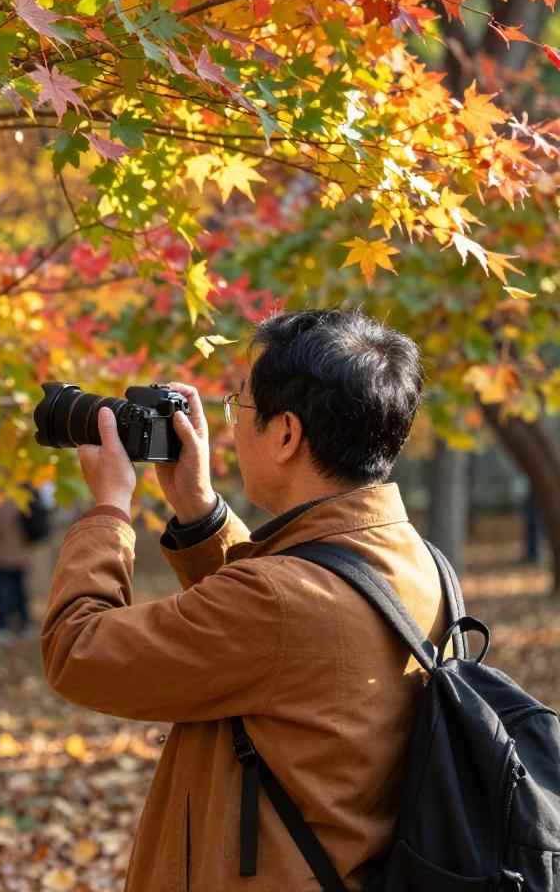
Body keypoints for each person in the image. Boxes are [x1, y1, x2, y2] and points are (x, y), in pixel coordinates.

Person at [40, 308, 445, 890]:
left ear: (285, 435)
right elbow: (279, 628)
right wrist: (200, 512)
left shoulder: (278, 602)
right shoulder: (415, 561)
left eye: (241, 406)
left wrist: (109, 510)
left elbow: (77, 651)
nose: (231, 425)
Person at [0, 461, 51, 645]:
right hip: (20, 554)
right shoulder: (23, 494)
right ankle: (24, 624)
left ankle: (0, 628)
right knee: (19, 592)